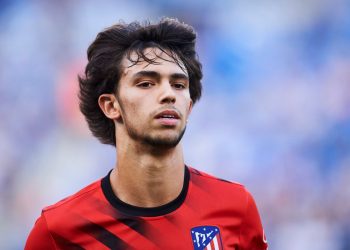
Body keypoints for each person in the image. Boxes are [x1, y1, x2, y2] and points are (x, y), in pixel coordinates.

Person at [25, 18, 268, 250]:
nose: (168, 94)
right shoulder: (59, 231)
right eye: (146, 83)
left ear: (189, 106)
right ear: (111, 106)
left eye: (179, 85)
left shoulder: (236, 208)